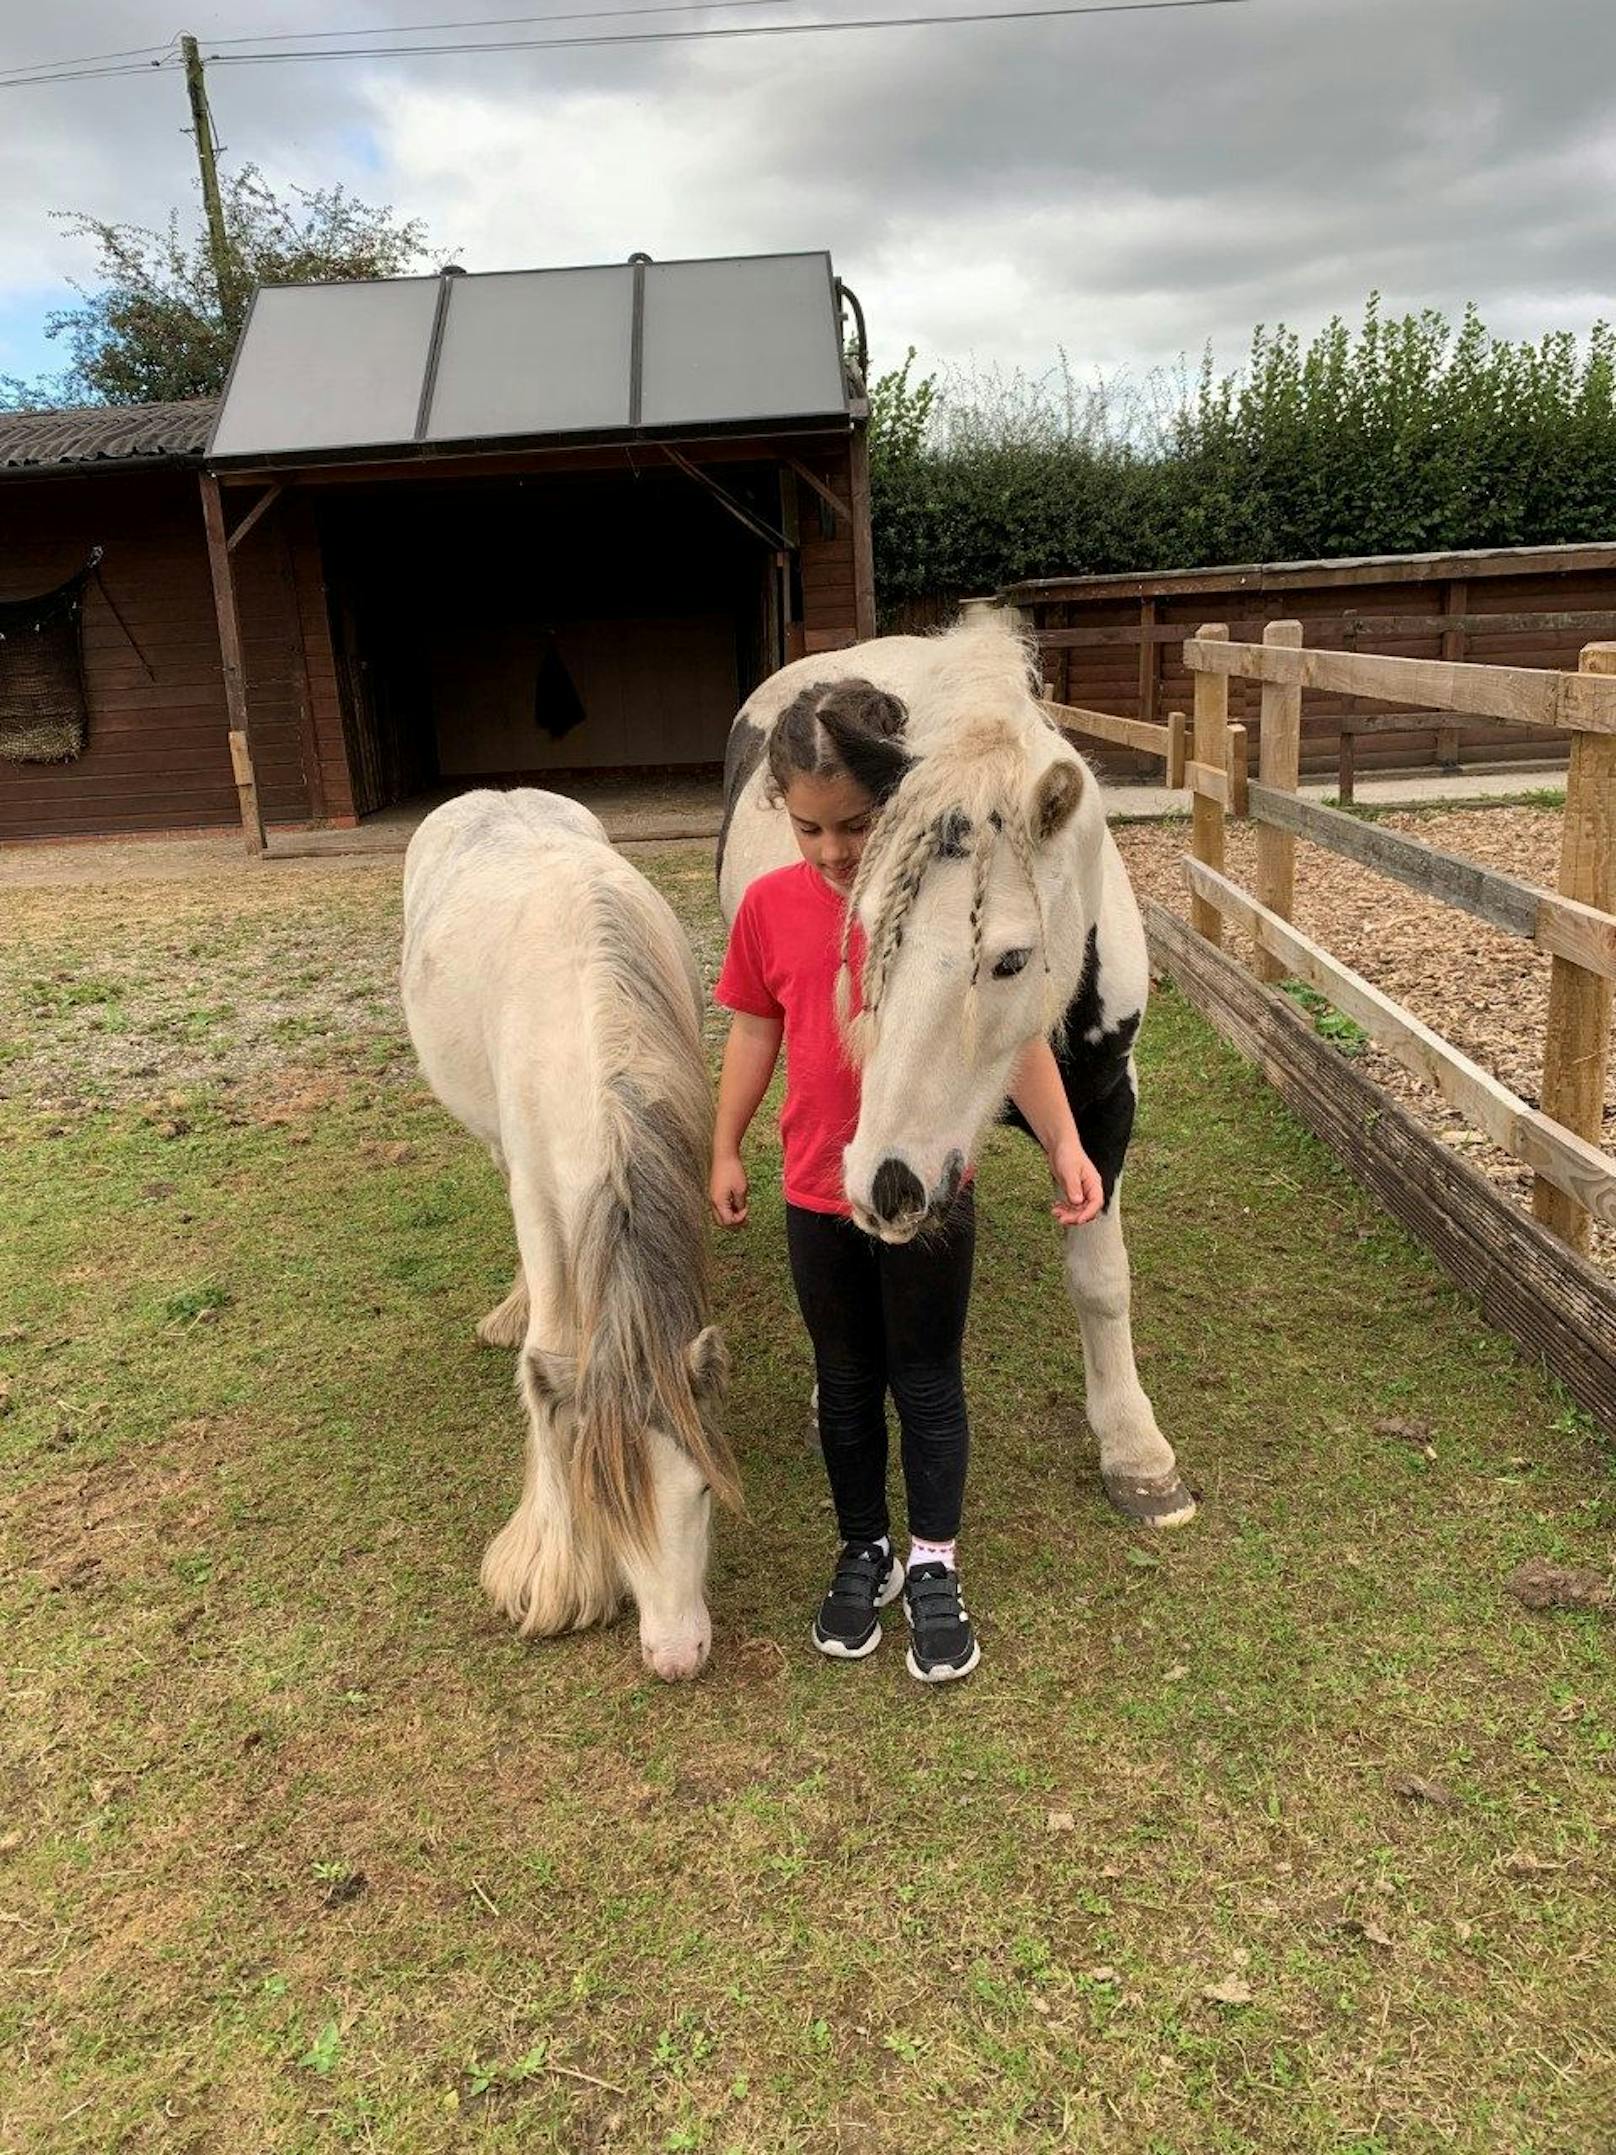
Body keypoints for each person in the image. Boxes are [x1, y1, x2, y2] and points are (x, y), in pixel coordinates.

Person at [710, 683, 1104, 1683]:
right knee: (843, 1381)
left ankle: (933, 1561)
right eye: (809, 828)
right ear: (779, 813)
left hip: (932, 1187)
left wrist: (1061, 1142)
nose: (835, 851)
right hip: (814, 1188)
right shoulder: (768, 908)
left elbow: (1005, 1035)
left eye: (857, 825)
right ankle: (863, 1546)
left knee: (926, 1379)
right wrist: (724, 1144)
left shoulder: (951, 899)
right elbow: (755, 1029)